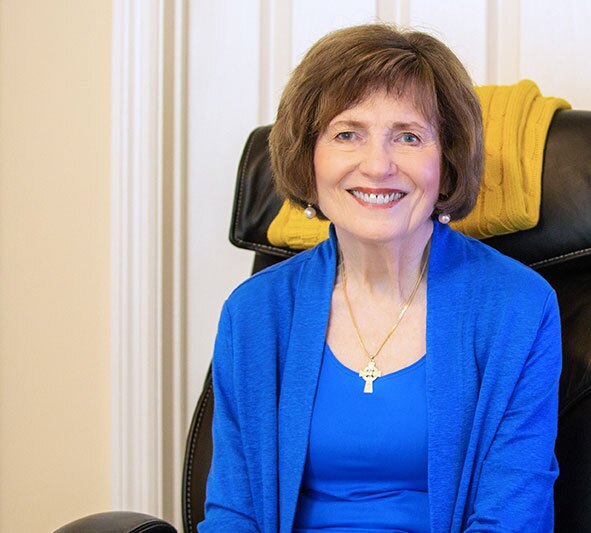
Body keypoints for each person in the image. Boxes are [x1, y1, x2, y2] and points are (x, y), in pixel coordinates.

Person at [201, 24, 561, 532]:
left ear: (447, 163)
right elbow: (233, 514)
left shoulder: (518, 309)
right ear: (310, 158)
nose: (378, 165)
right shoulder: (254, 313)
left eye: (408, 137)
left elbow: (513, 516)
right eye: (347, 134)